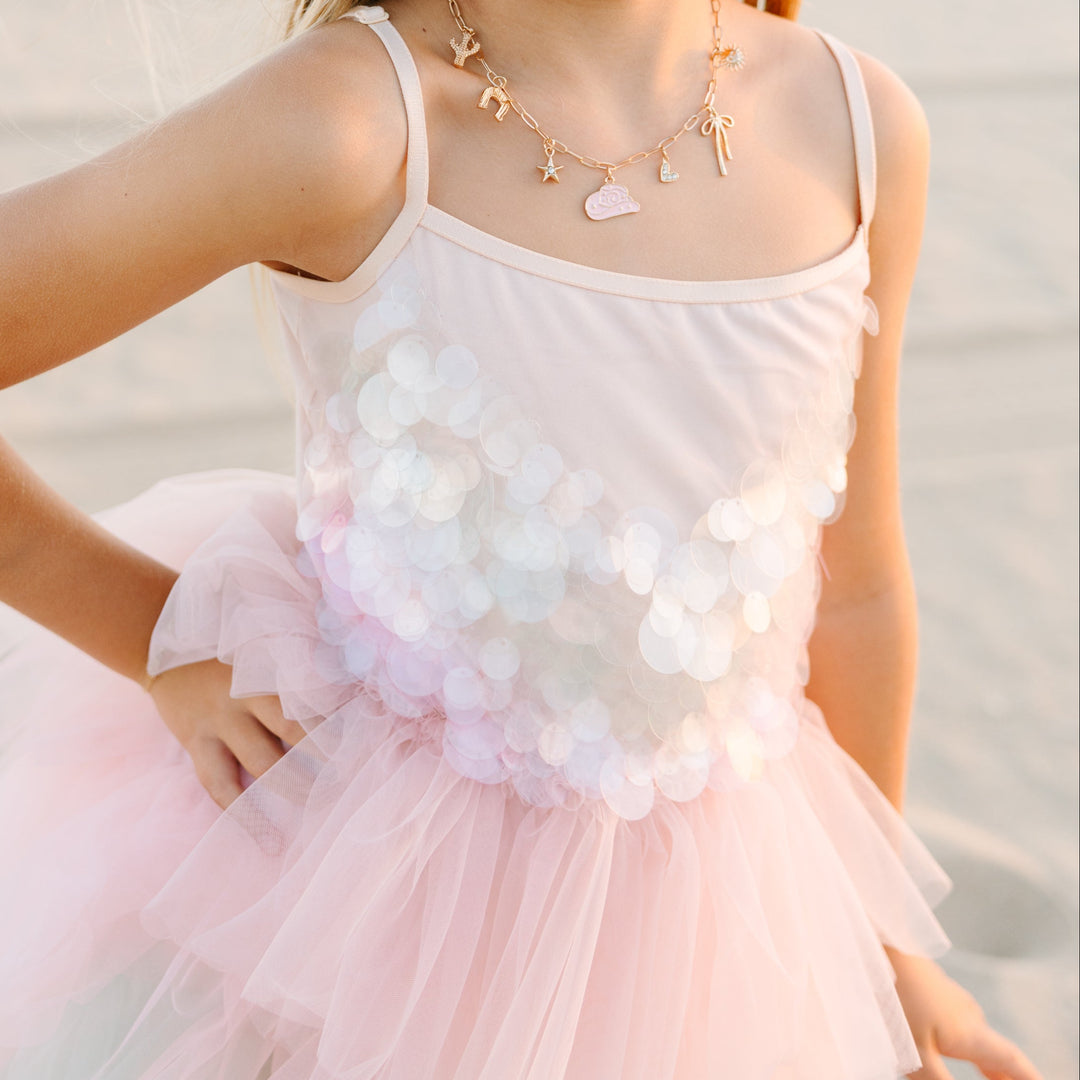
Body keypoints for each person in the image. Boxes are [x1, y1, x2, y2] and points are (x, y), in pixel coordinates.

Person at [0, 0, 1045, 1077]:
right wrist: (155, 632)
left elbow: (857, 581)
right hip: (366, 904)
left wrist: (875, 942)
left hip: (716, 925)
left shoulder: (857, 127)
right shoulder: (351, 125)